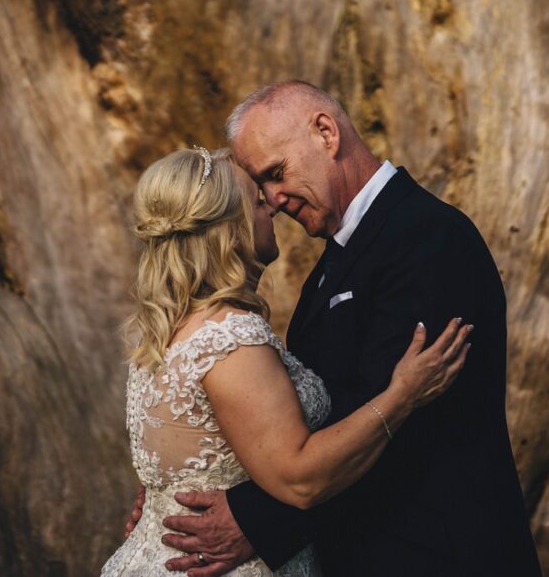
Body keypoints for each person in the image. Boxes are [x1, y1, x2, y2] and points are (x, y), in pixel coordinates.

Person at [153, 82, 541, 575]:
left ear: (326, 133)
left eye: (276, 174)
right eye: (261, 187)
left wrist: (253, 519)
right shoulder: (333, 264)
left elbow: (398, 421)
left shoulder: (428, 238)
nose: (272, 199)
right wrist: (179, 483)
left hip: (439, 554)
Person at [101, 147, 472, 577]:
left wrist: (159, 498)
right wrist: (402, 396)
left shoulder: (162, 331)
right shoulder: (231, 338)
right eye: (258, 203)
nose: (272, 208)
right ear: (229, 231)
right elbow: (300, 477)